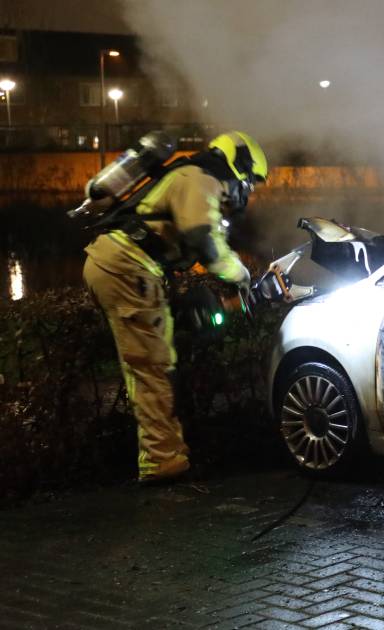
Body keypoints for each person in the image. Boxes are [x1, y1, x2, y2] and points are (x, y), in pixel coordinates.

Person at [82, 131, 268, 483]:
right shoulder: (200, 179)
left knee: (150, 361)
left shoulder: (192, 176)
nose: (250, 189)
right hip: (127, 266)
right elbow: (203, 238)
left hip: (125, 264)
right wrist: (239, 273)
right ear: (239, 165)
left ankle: (161, 455)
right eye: (252, 180)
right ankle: (162, 463)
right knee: (151, 367)